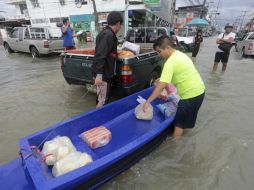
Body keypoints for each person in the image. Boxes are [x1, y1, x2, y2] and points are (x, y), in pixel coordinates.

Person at [142, 36, 205, 139]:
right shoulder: (180, 55)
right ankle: (186, 139)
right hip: (200, 92)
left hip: (189, 97)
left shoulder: (170, 62)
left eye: (159, 51)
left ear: (167, 48)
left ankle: (175, 147)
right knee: (187, 121)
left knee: (178, 124)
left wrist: (148, 102)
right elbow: (180, 74)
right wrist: (161, 80)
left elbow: (161, 86)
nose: (159, 55)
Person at [92, 11, 123, 108]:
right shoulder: (108, 35)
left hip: (103, 74)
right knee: (102, 101)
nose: (120, 27)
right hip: (103, 75)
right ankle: (98, 120)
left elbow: (104, 52)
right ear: (118, 23)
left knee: (100, 99)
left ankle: (97, 118)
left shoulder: (106, 32)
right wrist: (99, 75)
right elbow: (101, 55)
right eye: (120, 25)